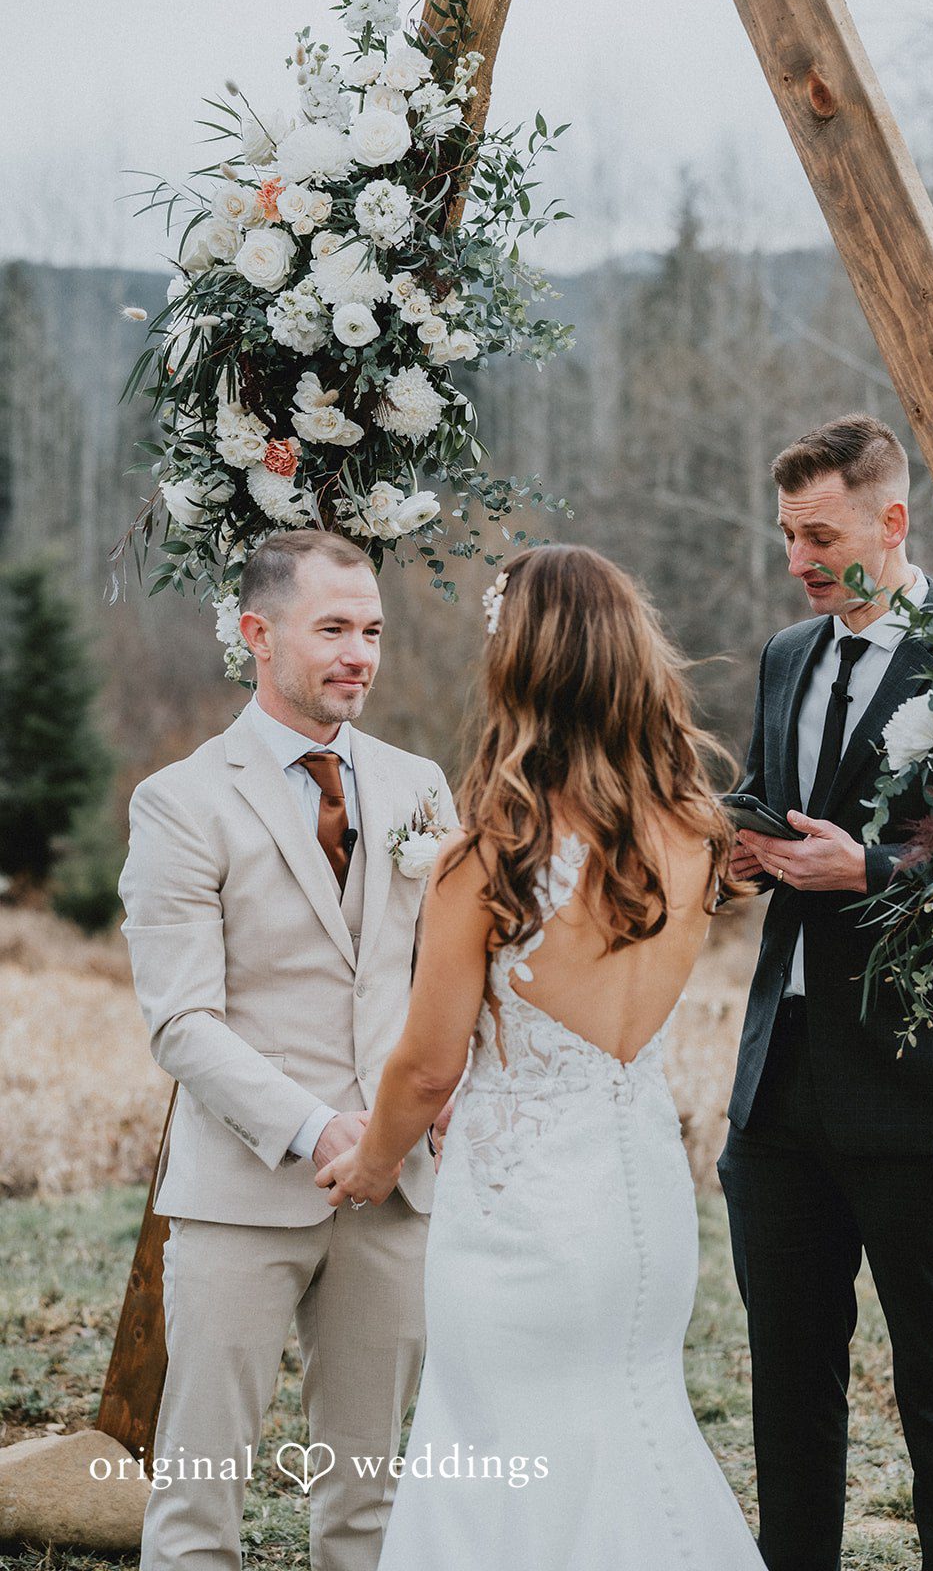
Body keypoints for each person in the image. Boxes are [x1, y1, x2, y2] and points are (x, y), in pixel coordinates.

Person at [317, 543, 767, 1569]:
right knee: (633, 1434)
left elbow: (427, 1067)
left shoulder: (487, 859)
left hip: (519, 1224)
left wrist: (374, 1164)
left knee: (499, 1457)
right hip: (645, 1209)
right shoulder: (696, 835)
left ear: (521, 668)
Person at [119, 529, 456, 1571]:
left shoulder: (418, 788)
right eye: (333, 630)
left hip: (395, 1192)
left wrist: (425, 1103)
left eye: (372, 631)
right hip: (242, 1195)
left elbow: (448, 976)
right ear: (258, 635)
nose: (360, 653)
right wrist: (321, 1128)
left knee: (369, 1503)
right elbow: (182, 1020)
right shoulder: (181, 800)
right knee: (197, 1502)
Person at [718, 414, 933, 1571]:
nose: (795, 556)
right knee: (789, 1392)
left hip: (923, 1087)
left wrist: (876, 869)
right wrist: (741, 846)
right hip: (779, 1088)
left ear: (891, 523)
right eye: (787, 531)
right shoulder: (785, 655)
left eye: (819, 532)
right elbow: (769, 791)